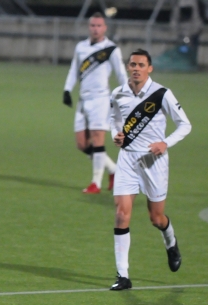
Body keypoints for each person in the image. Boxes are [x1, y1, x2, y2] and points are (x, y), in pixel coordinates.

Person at [108, 49, 191, 290]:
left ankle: (171, 242)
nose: (136, 68)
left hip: (154, 162)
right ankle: (122, 275)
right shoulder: (118, 93)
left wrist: (165, 143)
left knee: (156, 218)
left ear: (149, 68)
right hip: (127, 160)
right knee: (122, 214)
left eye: (141, 65)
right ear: (127, 67)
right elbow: (113, 119)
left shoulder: (162, 94)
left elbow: (185, 125)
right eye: (132, 64)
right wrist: (116, 135)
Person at [63, 12, 127, 194]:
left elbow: (121, 74)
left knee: (98, 140)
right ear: (89, 27)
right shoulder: (81, 47)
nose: (95, 29)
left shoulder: (111, 49)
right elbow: (74, 70)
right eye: (93, 25)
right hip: (83, 100)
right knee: (82, 144)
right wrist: (67, 89)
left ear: (105, 28)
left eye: (99, 26)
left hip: (100, 99)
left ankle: (95, 184)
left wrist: (127, 95)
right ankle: (114, 170)